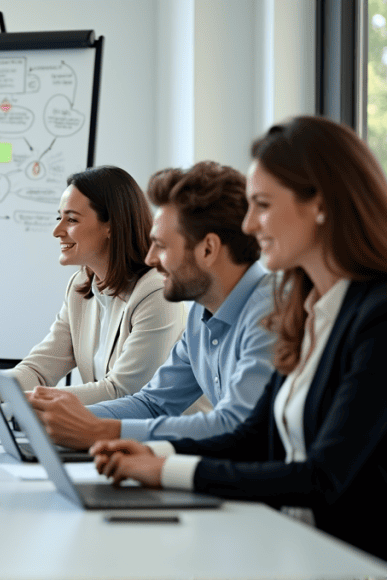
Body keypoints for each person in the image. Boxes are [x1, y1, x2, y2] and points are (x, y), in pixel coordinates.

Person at [91, 116, 387, 561]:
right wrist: (150, 450)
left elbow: (323, 477)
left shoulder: (377, 317)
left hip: (349, 562)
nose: (248, 225)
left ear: (321, 204)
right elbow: (252, 435)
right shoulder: (306, 307)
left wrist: (169, 468)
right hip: (294, 548)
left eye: (263, 205)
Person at [28, 161, 277, 450]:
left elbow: (233, 424)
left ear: (208, 249)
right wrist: (54, 418)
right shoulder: (201, 313)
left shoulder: (271, 314)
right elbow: (153, 403)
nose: (150, 259)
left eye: (161, 245)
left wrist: (99, 430)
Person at [0, 166, 190, 424]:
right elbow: (40, 368)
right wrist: (0, 390)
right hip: (104, 435)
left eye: (71, 220)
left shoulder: (156, 292)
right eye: (59, 218)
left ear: (111, 226)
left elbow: (123, 392)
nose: (57, 230)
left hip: (165, 444)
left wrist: (27, 401)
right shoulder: (81, 285)